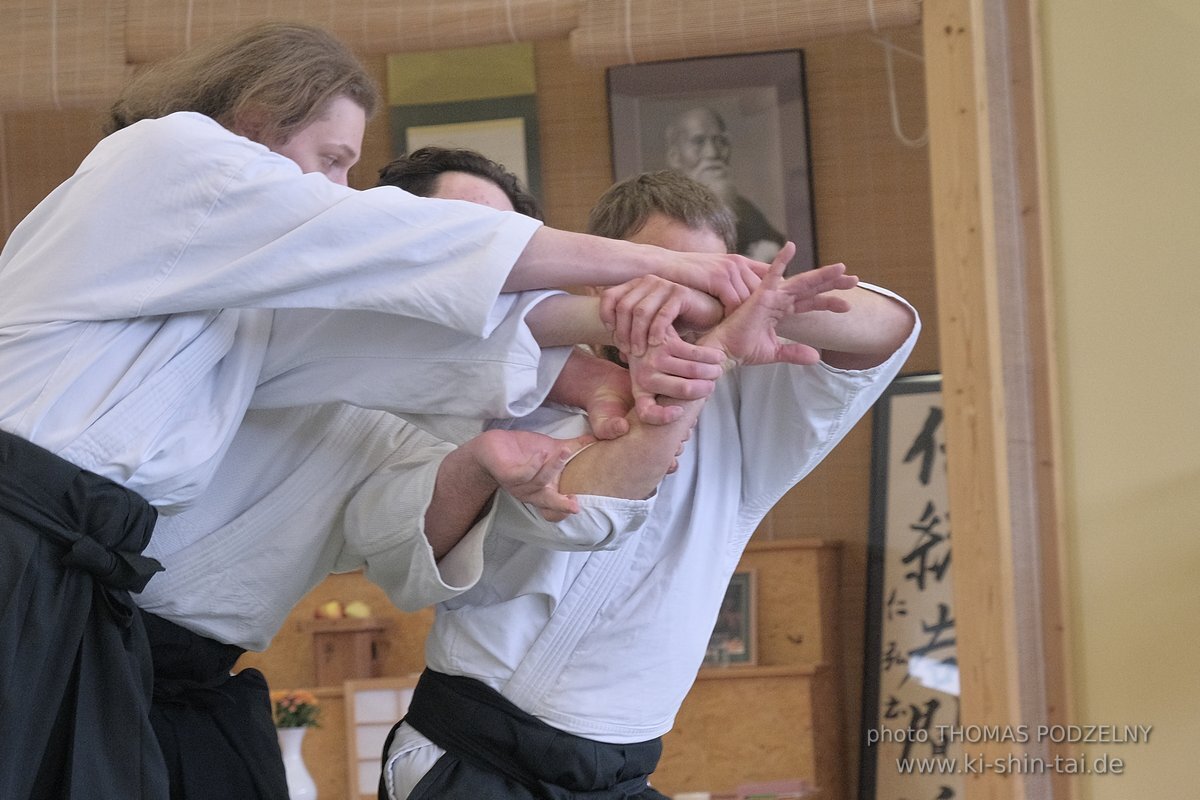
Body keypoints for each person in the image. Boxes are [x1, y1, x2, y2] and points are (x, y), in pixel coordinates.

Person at [0, 22, 764, 800]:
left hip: (134, 626)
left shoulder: (273, 321)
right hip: (40, 552)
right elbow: (397, 276)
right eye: (331, 161)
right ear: (261, 113)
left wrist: (615, 350)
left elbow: (421, 352)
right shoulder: (168, 158)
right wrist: (667, 268)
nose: (334, 188)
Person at [378, 169, 919, 798]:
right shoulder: (519, 386)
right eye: (672, 278)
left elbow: (887, 329)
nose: (689, 306)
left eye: (716, 281)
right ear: (599, 274)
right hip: (470, 756)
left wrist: (731, 308)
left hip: (619, 768)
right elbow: (569, 509)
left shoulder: (746, 422)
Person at [665, 105, 787, 262]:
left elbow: (776, 249)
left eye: (720, 141)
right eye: (698, 142)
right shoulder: (664, 212)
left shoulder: (745, 210)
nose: (712, 153)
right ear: (674, 157)